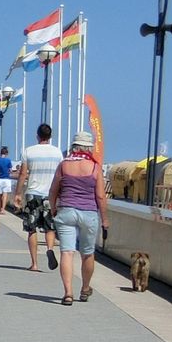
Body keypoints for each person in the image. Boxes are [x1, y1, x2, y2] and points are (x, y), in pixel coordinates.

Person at [51, 130, 111, 304]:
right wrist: (105, 219)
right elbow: (100, 196)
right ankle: (85, 288)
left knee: (67, 252)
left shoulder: (63, 165)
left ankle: (68, 293)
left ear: (74, 146)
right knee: (87, 253)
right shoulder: (94, 167)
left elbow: (53, 190)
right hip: (89, 213)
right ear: (89, 148)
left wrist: (53, 209)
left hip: (66, 211)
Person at [17, 122, 63, 271]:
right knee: (50, 228)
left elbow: (23, 174)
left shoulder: (29, 151)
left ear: (37, 136)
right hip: (50, 194)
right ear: (50, 136)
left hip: (33, 193)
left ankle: (34, 263)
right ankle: (49, 249)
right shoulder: (57, 153)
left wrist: (18, 193)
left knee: (31, 229)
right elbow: (60, 175)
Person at [0, 143, 15, 210]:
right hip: (6, 179)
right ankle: (3, 209)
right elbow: (10, 170)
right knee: (5, 194)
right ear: (6, 153)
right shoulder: (8, 160)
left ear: (0, 153)